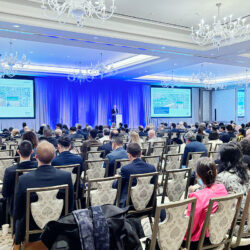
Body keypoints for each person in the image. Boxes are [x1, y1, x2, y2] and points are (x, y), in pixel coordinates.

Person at [14, 141, 74, 245]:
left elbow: (18, 212)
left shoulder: (24, 179)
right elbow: (70, 207)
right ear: (54, 156)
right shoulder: (66, 176)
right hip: (58, 229)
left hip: (32, 232)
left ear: (35, 156)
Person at [184, 157, 228, 249]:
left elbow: (191, 226)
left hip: (200, 240)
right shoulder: (222, 188)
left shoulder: (197, 196)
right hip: (218, 233)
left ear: (198, 175)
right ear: (215, 172)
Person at [113, 143, 156, 207]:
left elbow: (117, 186)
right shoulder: (152, 168)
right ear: (141, 153)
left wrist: (116, 179)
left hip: (130, 205)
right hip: (148, 203)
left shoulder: (126, 169)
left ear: (129, 155)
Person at [2, 141, 37, 216]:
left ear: (18, 151)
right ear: (32, 152)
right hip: (36, 204)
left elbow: (5, 193)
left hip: (16, 208)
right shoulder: (38, 167)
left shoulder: (9, 171)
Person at [216, 143, 249, 209]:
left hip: (229, 215)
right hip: (245, 212)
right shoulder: (247, 172)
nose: (218, 158)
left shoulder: (221, 177)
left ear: (224, 159)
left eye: (219, 156)